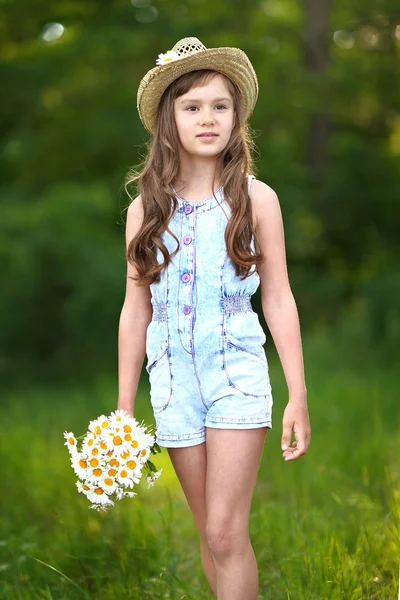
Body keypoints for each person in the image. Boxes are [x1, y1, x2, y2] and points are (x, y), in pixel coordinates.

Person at [117, 36, 311, 600]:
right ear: (168, 120)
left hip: (236, 376)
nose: (208, 118)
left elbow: (278, 298)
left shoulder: (256, 200)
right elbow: (136, 309)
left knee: (227, 532)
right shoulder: (146, 210)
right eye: (192, 106)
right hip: (174, 382)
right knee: (211, 533)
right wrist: (126, 407)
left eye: (220, 106)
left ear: (237, 118)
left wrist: (296, 393)